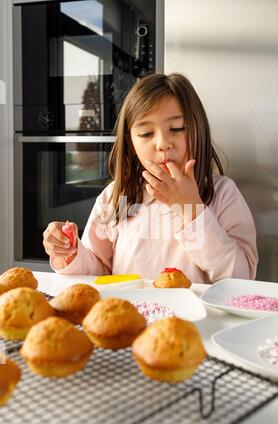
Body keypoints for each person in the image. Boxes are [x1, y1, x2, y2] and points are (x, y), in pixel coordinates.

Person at [43, 73, 258, 283]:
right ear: (131, 141)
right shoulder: (117, 197)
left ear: (198, 129)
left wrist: (191, 210)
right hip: (131, 316)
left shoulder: (222, 194)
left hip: (195, 319)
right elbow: (100, 270)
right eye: (146, 133)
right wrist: (70, 252)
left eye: (177, 128)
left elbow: (241, 278)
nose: (163, 143)